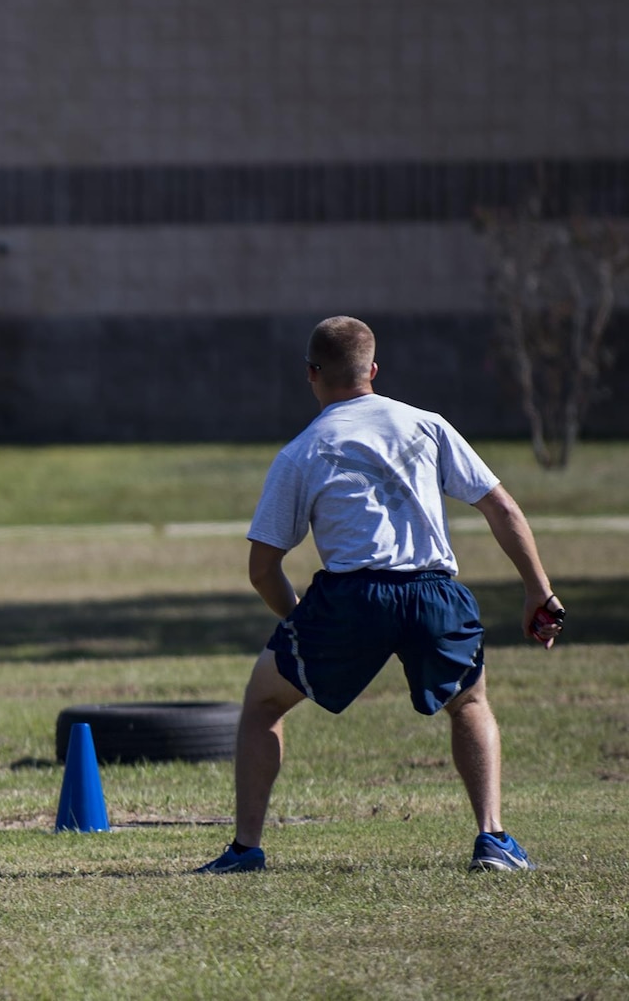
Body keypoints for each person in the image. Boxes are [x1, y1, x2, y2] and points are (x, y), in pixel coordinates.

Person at [196, 316, 563, 875]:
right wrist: (539, 590)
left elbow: (262, 567)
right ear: (373, 370)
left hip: (351, 599)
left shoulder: (303, 450)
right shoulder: (427, 425)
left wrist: (301, 625)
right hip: (433, 593)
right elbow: (502, 509)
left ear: (311, 375)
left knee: (264, 705)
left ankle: (246, 849)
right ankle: (493, 840)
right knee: (468, 703)